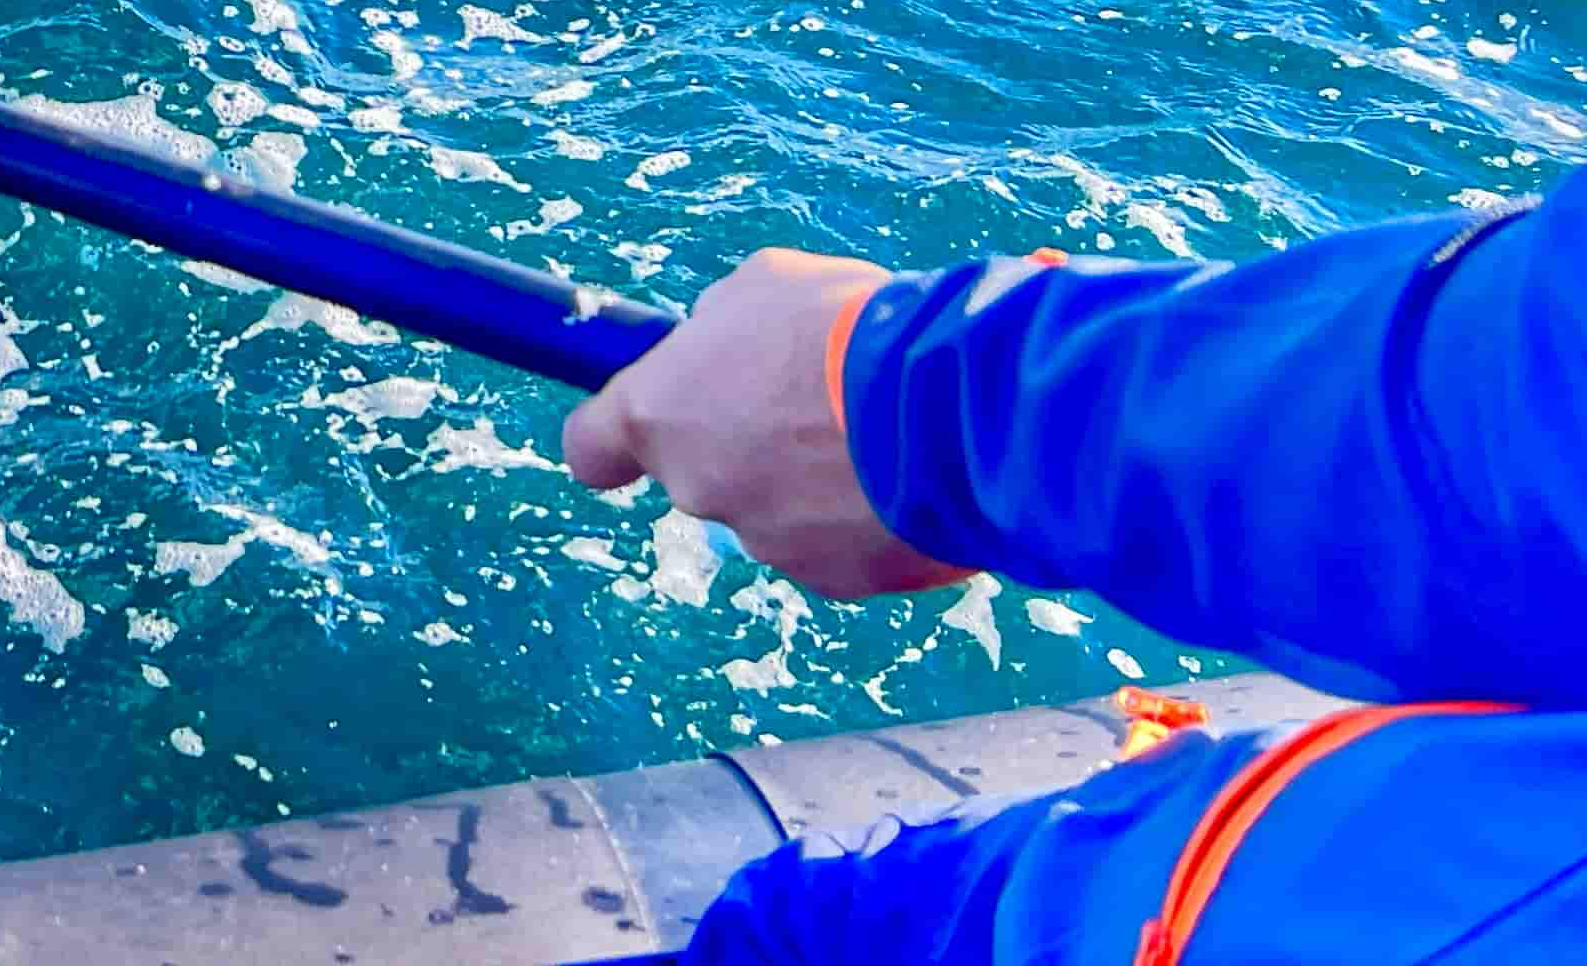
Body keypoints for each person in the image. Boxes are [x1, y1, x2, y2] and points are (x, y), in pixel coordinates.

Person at [562, 166, 1587, 961]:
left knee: (804, 924)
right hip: (1246, 869)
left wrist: (922, 407)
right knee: (810, 916)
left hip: (1233, 903)